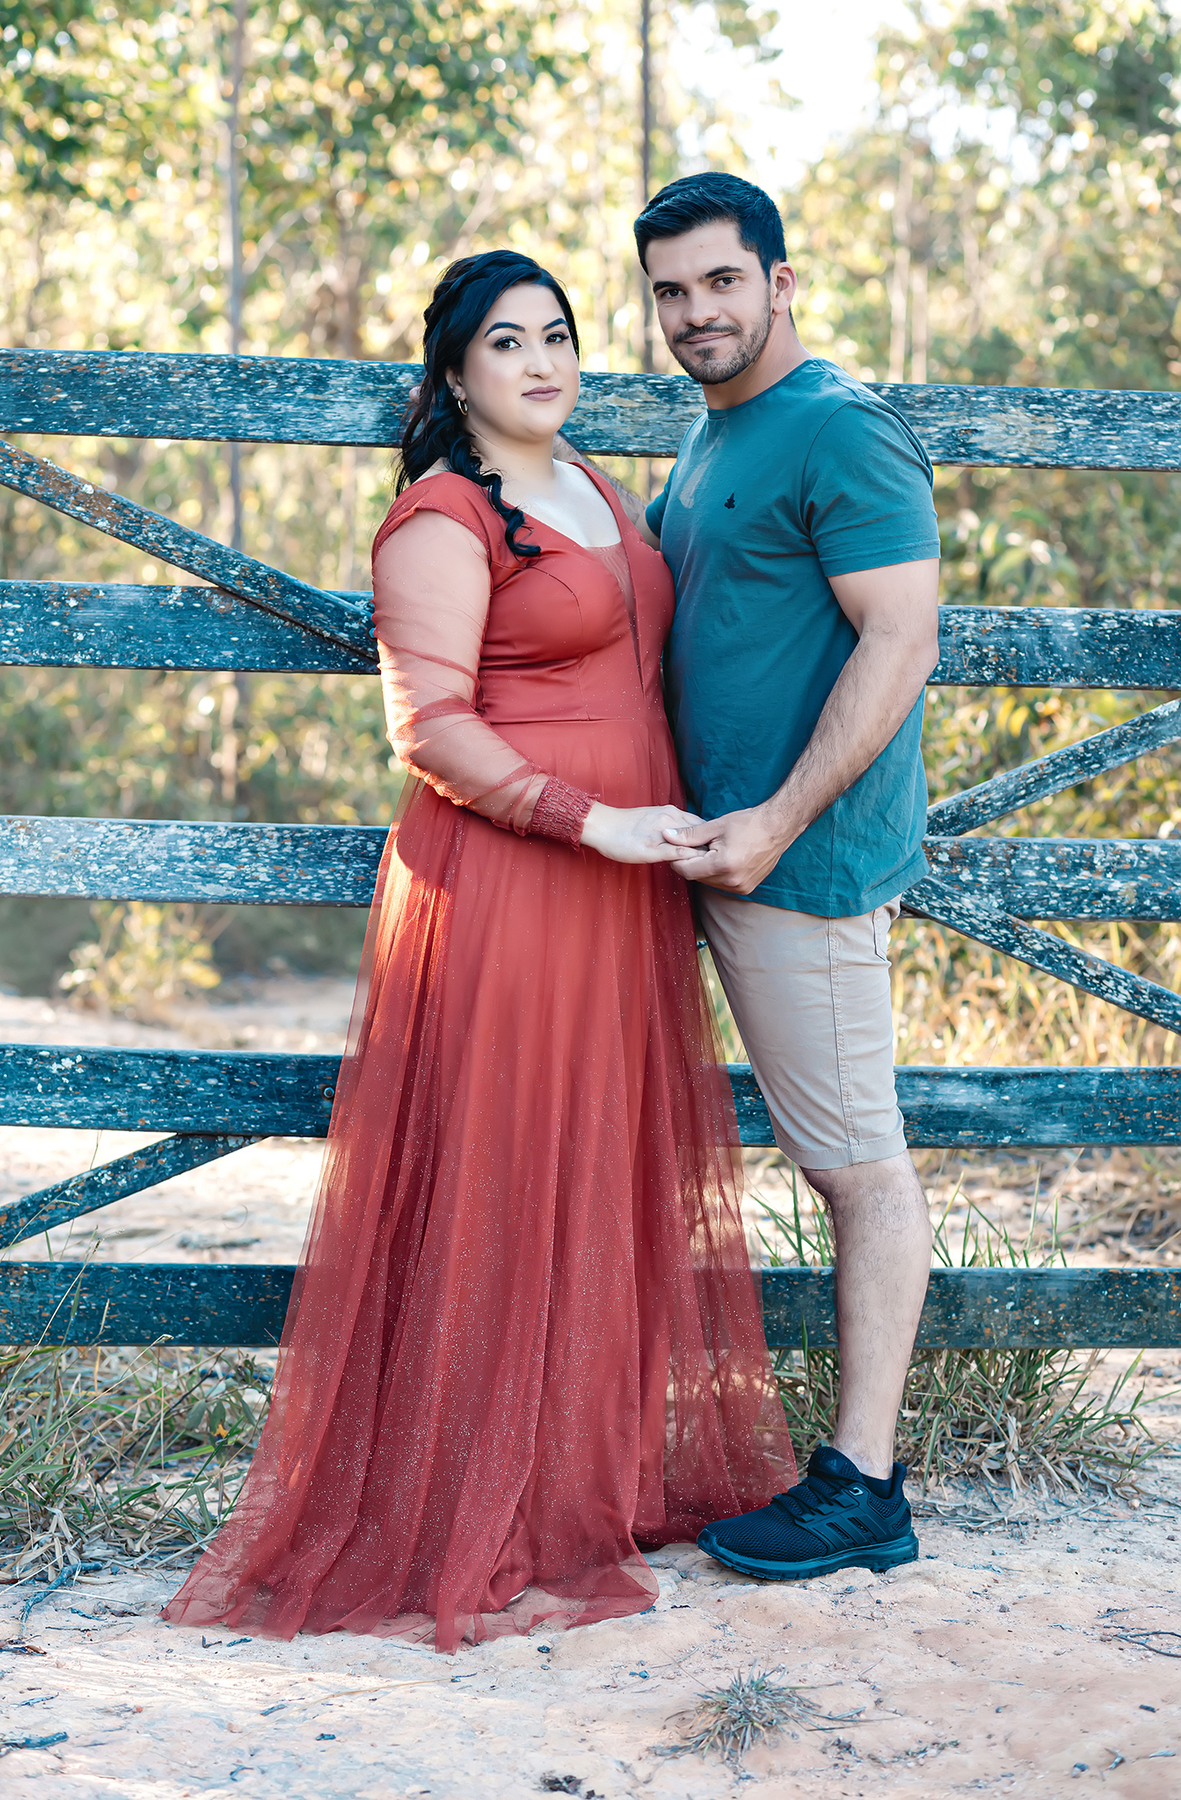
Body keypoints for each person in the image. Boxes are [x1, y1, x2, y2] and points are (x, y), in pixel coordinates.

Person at [162, 249, 794, 1654]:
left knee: (599, 1163)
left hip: (620, 888)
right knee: (508, 1167)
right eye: (507, 342)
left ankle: (580, 1480)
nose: (542, 360)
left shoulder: (599, 490)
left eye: (557, 334)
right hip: (517, 876)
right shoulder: (441, 517)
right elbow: (431, 728)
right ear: (455, 374)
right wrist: (594, 820)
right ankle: (474, 1507)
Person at [561, 172, 939, 1582]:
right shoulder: (717, 430)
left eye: (722, 281)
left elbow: (901, 640)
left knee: (855, 1163)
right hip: (704, 851)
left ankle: (865, 1489)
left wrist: (777, 821)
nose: (695, 312)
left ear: (781, 282)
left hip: (800, 865)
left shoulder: (839, 428)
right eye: (670, 291)